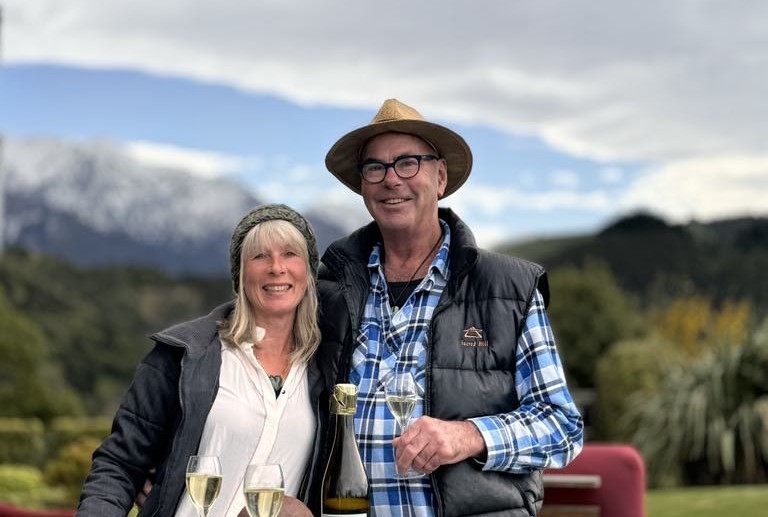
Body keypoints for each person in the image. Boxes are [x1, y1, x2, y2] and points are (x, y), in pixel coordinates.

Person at [310, 99, 584, 517]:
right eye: (375, 168)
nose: (390, 180)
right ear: (363, 185)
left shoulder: (509, 288)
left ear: (441, 177)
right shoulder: (327, 288)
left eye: (407, 163)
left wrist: (470, 435)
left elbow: (562, 427)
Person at [77, 204, 322, 517]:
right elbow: (120, 464)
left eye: (290, 253)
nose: (276, 267)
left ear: (309, 272)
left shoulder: (324, 366)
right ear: (241, 275)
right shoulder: (184, 355)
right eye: (259, 256)